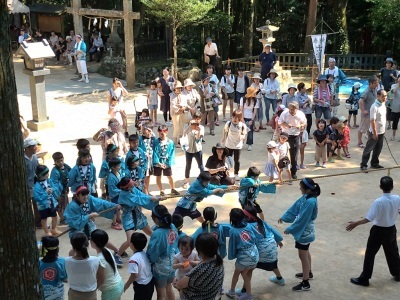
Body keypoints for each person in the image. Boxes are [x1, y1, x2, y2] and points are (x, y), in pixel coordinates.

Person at [346, 176, 400, 286]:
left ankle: (364, 278)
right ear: (392, 187)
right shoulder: (397, 198)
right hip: (391, 229)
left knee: (370, 253)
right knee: (393, 252)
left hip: (378, 231)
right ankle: (398, 273)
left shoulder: (378, 201)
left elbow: (369, 218)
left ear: (380, 187)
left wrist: (356, 223)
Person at [278, 178, 320, 292]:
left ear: (307, 190)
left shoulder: (311, 202)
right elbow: (295, 207)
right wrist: (285, 217)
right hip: (306, 231)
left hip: (305, 232)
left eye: (301, 187)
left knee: (303, 256)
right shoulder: (307, 197)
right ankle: (309, 272)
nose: (299, 188)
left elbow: (303, 219)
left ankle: (305, 283)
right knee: (306, 253)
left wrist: (291, 228)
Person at [63, 185, 121, 265]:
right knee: (78, 247)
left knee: (100, 238)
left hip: (89, 225)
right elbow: (74, 222)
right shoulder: (72, 206)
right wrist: (89, 216)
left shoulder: (89, 198)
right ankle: (71, 261)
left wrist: (113, 206)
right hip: (77, 229)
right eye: (83, 195)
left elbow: (101, 203)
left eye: (87, 194)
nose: (86, 197)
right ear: (77, 195)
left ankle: (117, 251)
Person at [115, 177, 165, 259]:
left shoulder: (131, 189)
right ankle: (117, 255)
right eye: (131, 186)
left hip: (138, 215)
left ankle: (158, 248)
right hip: (128, 217)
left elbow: (141, 195)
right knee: (130, 240)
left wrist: (156, 198)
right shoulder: (123, 195)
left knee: (151, 233)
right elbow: (137, 199)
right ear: (125, 187)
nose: (133, 187)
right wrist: (151, 198)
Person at [243, 206, 285, 288]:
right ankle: (280, 279)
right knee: (273, 265)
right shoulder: (262, 222)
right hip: (272, 252)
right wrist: (279, 241)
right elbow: (274, 232)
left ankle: (244, 291)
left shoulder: (247, 226)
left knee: (248, 270)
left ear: (246, 217)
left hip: (261, 253)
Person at [175, 233, 224, 300]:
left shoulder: (199, 270)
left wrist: (176, 282)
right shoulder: (218, 260)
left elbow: (179, 285)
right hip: (211, 296)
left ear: (199, 250)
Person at [225, 208, 259, 299]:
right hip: (254, 253)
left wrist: (232, 255)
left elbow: (232, 245)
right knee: (246, 273)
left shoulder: (233, 230)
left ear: (232, 219)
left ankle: (233, 291)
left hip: (244, 257)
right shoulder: (248, 225)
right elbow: (255, 236)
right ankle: (247, 293)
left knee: (237, 274)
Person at [147, 205, 178, 300]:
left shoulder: (157, 233)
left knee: (161, 293)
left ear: (155, 219)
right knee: (169, 287)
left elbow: (154, 252)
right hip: (172, 263)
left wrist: (149, 259)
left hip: (161, 268)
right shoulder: (172, 227)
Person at [65, 232, 102, 300]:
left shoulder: (67, 261)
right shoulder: (95, 260)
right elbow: (100, 279)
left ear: (73, 246)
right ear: (87, 244)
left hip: (73, 293)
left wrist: (75, 246)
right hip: (90, 293)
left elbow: (71, 254)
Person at [90, 229, 124, 299]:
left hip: (111, 290)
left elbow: (101, 280)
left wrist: (92, 290)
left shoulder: (99, 259)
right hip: (119, 284)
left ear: (93, 242)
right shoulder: (107, 250)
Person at [278, 102, 307, 179]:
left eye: (293, 110)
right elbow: (280, 122)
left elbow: (304, 123)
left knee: (294, 154)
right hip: (285, 135)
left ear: (296, 109)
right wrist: (286, 125)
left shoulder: (301, 114)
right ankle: (280, 169)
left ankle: (293, 171)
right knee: (283, 153)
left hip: (295, 135)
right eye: (290, 109)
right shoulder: (284, 113)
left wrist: (300, 126)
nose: (291, 111)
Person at [360, 89, 387, 171]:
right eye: (383, 96)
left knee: (378, 148)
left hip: (382, 131)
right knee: (369, 148)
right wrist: (375, 133)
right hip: (374, 132)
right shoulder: (374, 107)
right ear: (378, 96)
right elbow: (373, 120)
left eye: (385, 96)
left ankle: (374, 163)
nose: (385, 98)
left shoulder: (383, 104)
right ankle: (363, 164)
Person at [124, 232, 155, 299]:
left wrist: (126, 286)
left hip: (141, 286)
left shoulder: (133, 259)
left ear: (131, 244)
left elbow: (134, 275)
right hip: (150, 282)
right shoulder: (145, 253)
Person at [34, 165, 63, 236]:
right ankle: (47, 232)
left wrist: (54, 190)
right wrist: (46, 193)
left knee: (55, 216)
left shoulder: (49, 180)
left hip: (52, 203)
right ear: (41, 175)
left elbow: (54, 188)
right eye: (46, 173)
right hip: (43, 206)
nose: (48, 174)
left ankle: (54, 229)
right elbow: (37, 198)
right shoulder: (37, 186)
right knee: (44, 219)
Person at [153, 125, 179, 196]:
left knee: (169, 176)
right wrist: (158, 162)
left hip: (166, 162)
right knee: (158, 176)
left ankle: (173, 189)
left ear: (167, 132)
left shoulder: (170, 142)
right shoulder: (155, 142)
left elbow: (172, 153)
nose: (162, 133)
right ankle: (161, 190)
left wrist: (168, 163)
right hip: (158, 162)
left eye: (164, 132)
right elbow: (154, 153)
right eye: (160, 132)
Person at [222, 109, 248, 181]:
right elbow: (225, 130)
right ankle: (226, 172)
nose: (234, 119)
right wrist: (223, 138)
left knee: (237, 160)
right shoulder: (228, 123)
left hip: (237, 146)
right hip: (229, 144)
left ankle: (236, 173)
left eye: (236, 117)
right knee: (227, 160)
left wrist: (243, 137)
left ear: (239, 118)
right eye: (233, 117)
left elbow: (244, 134)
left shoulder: (242, 126)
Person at [182, 113, 204, 188]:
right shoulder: (187, 126)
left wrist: (198, 130)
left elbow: (198, 139)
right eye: (195, 118)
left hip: (198, 150)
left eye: (198, 119)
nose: (197, 120)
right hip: (189, 150)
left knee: (200, 165)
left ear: (200, 119)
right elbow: (184, 134)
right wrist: (190, 126)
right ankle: (186, 182)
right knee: (188, 166)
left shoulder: (201, 127)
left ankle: (204, 180)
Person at [24, 138, 41, 228]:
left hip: (35, 185)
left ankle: (38, 223)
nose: (35, 148)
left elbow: (37, 168)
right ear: (27, 148)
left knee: (37, 205)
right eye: (33, 146)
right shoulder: (22, 159)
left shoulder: (34, 156)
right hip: (26, 186)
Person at [50, 152, 71, 225]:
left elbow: (71, 173)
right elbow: (53, 184)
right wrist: (56, 195)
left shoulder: (66, 167)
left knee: (65, 204)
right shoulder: (55, 171)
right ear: (55, 162)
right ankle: (62, 219)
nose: (60, 163)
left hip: (65, 190)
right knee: (59, 207)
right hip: (58, 192)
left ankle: (65, 217)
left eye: (61, 160)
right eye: (58, 162)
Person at [358, 76, 379, 147]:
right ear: (371, 83)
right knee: (362, 127)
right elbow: (360, 101)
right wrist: (363, 111)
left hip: (372, 112)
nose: (377, 84)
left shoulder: (375, 89)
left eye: (377, 82)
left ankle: (369, 139)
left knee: (370, 127)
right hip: (366, 113)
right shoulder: (366, 91)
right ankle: (359, 142)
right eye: (375, 83)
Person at [106, 158, 124, 231]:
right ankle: (114, 223)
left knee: (118, 208)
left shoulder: (118, 173)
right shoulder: (110, 177)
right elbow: (112, 189)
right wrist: (120, 191)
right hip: (114, 195)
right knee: (114, 209)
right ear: (113, 167)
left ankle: (118, 219)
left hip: (119, 193)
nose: (120, 167)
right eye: (118, 166)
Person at [170, 81, 188, 147]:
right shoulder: (172, 96)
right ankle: (175, 142)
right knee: (176, 127)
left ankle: (180, 141)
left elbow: (185, 103)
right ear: (174, 89)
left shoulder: (182, 95)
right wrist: (180, 108)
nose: (179, 89)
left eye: (180, 88)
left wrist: (183, 107)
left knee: (181, 127)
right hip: (175, 113)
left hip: (182, 112)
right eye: (177, 88)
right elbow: (173, 105)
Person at [239, 87, 258, 151]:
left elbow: (254, 111)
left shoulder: (255, 100)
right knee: (241, 131)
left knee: (250, 132)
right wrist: (242, 119)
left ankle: (250, 144)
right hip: (243, 117)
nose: (255, 94)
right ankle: (240, 143)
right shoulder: (243, 99)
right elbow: (241, 109)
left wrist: (252, 120)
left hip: (250, 117)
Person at [389, 75, 400, 141]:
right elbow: (394, 91)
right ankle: (393, 135)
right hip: (396, 107)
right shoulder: (393, 85)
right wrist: (398, 84)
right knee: (395, 122)